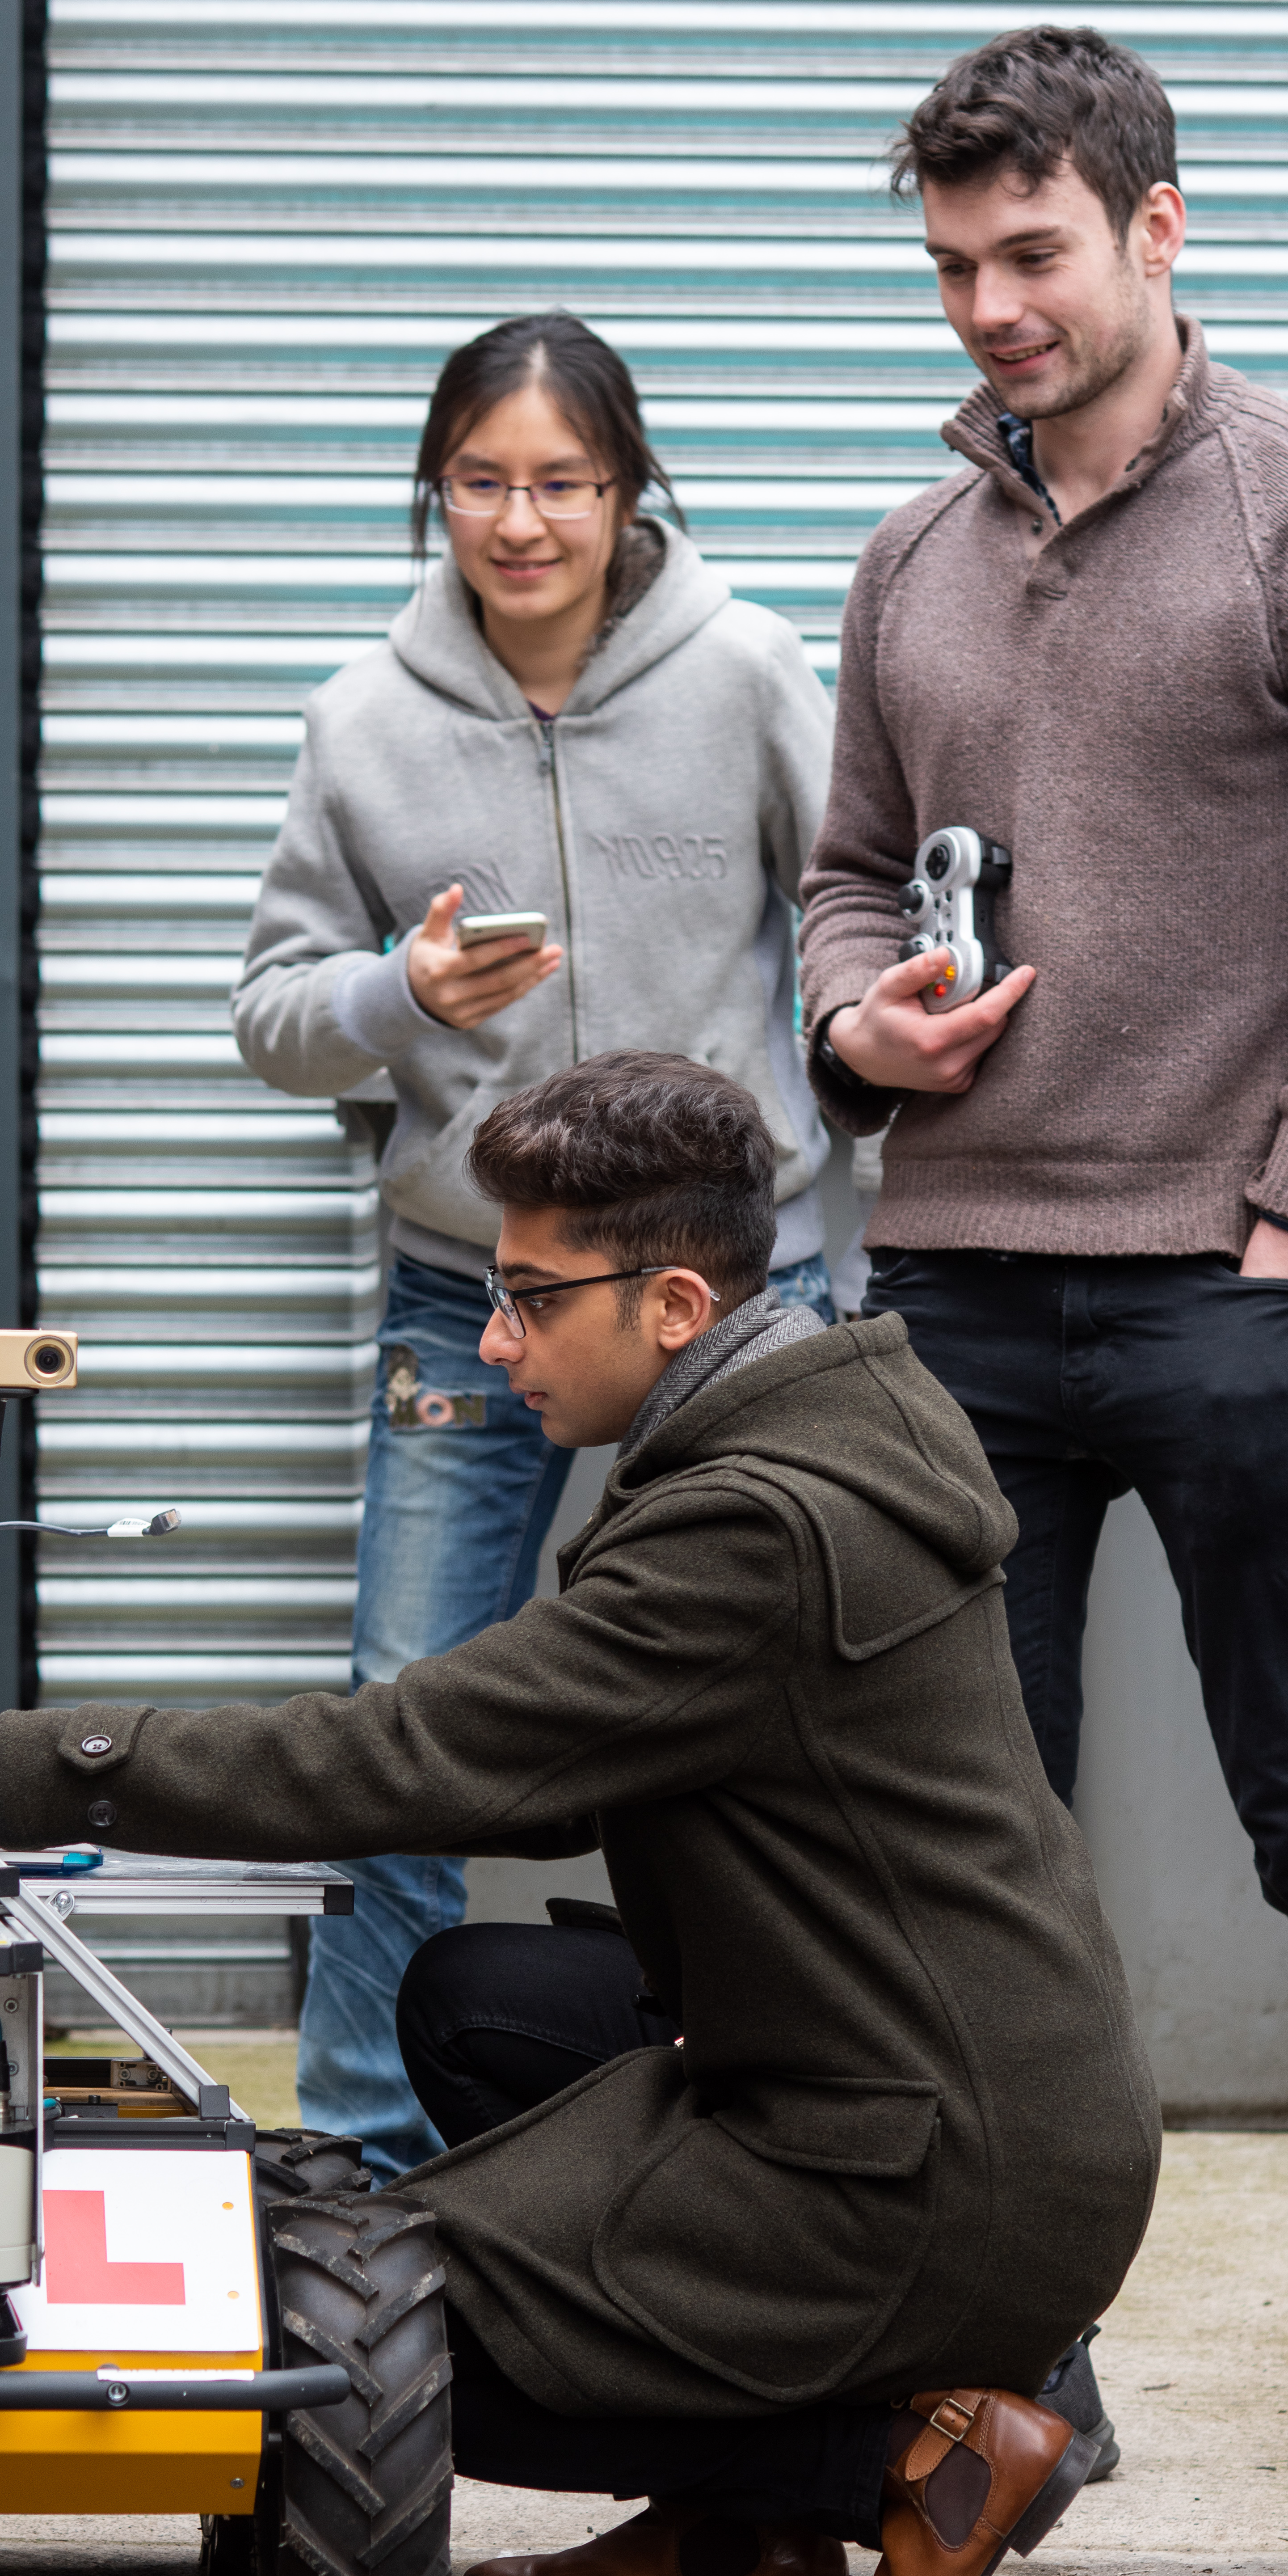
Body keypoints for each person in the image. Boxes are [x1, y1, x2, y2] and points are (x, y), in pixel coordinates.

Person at [0, 1051, 1161, 2576]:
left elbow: (407, 1755)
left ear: (674, 1301)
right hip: (964, 2075)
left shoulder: (757, 1524)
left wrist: (0, 1761)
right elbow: (550, 1782)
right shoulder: (825, 1415)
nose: (492, 1341)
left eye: (524, 1298)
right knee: (481, 1993)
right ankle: (733, 2525)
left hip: (928, 2163)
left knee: (342, 2323)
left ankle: (900, 2461)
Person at [796, 24, 1288, 2559]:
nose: (987, 307)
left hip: (1235, 1296)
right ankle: (1025, 2370)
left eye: (1030, 255)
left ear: (1158, 230)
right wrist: (859, 1025)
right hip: (960, 1295)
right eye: (953, 265)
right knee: (980, 1866)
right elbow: (845, 871)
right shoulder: (904, 559)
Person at [232, 313, 835, 2178]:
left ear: (627, 485)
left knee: (782, 1723)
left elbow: (849, 920)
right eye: (483, 480)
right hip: (468, 1292)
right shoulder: (363, 719)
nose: (522, 520)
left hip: (742, 1289)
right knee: (404, 1714)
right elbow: (270, 1012)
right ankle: (359, 2158)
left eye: (562, 480)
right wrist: (397, 993)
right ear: (440, 487)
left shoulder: (745, 673)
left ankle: (779, 2115)